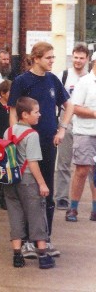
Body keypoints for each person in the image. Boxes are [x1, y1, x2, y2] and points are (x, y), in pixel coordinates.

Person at [8, 41, 73, 259]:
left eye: (53, 57)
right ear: (36, 58)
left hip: (48, 142)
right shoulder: (22, 81)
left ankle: (45, 239)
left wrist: (62, 129)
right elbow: (13, 111)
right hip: (26, 145)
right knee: (28, 192)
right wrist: (14, 138)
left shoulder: (53, 80)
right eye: (49, 57)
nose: (52, 61)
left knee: (47, 192)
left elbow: (69, 105)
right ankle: (26, 240)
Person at [4, 97, 55, 269]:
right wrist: (42, 183)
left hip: (10, 179)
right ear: (25, 115)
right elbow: (32, 163)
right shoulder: (32, 135)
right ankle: (43, 255)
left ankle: (17, 255)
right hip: (27, 180)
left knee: (15, 214)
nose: (39, 115)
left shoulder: (9, 131)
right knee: (36, 214)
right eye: (36, 112)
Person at [54, 42, 89, 210]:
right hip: (66, 121)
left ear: (87, 59)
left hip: (86, 123)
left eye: (81, 58)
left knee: (86, 164)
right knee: (64, 161)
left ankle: (82, 199)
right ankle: (61, 197)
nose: (78, 61)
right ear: (72, 57)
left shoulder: (90, 78)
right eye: (75, 57)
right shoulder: (64, 75)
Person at [64, 50, 96, 222]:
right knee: (82, 170)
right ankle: (73, 208)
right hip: (85, 132)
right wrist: (94, 113)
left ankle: (95, 209)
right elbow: (74, 107)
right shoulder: (85, 82)